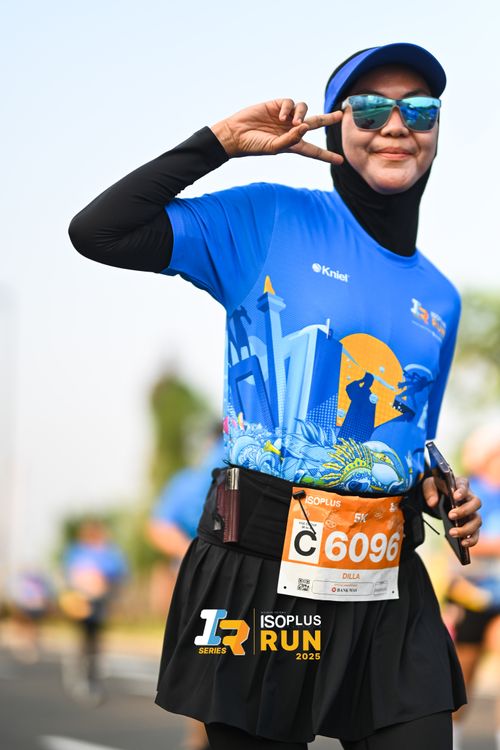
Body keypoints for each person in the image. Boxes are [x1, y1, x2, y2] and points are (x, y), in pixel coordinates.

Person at [68, 43, 482, 750]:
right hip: (258, 571)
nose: (395, 124)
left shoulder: (440, 296)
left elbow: (409, 446)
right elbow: (99, 231)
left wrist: (443, 492)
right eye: (369, 108)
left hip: (385, 587)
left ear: (436, 130)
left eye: (418, 109)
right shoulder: (268, 218)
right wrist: (219, 144)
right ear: (334, 127)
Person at [148, 432, 224, 750]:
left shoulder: (190, 479)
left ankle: (200, 737)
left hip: (198, 582)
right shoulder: (268, 464)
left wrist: (193, 556)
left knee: (203, 657)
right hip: (251, 580)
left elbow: (159, 526)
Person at [444, 424, 500, 750]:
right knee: (464, 675)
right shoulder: (471, 492)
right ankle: (453, 738)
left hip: (498, 597)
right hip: (470, 596)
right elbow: (461, 543)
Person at [59, 519, 128, 703]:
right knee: (84, 637)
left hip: (99, 602)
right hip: (80, 601)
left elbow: (119, 574)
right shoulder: (78, 551)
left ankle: (91, 677)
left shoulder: (109, 552)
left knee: (95, 639)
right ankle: (81, 673)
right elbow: (69, 572)